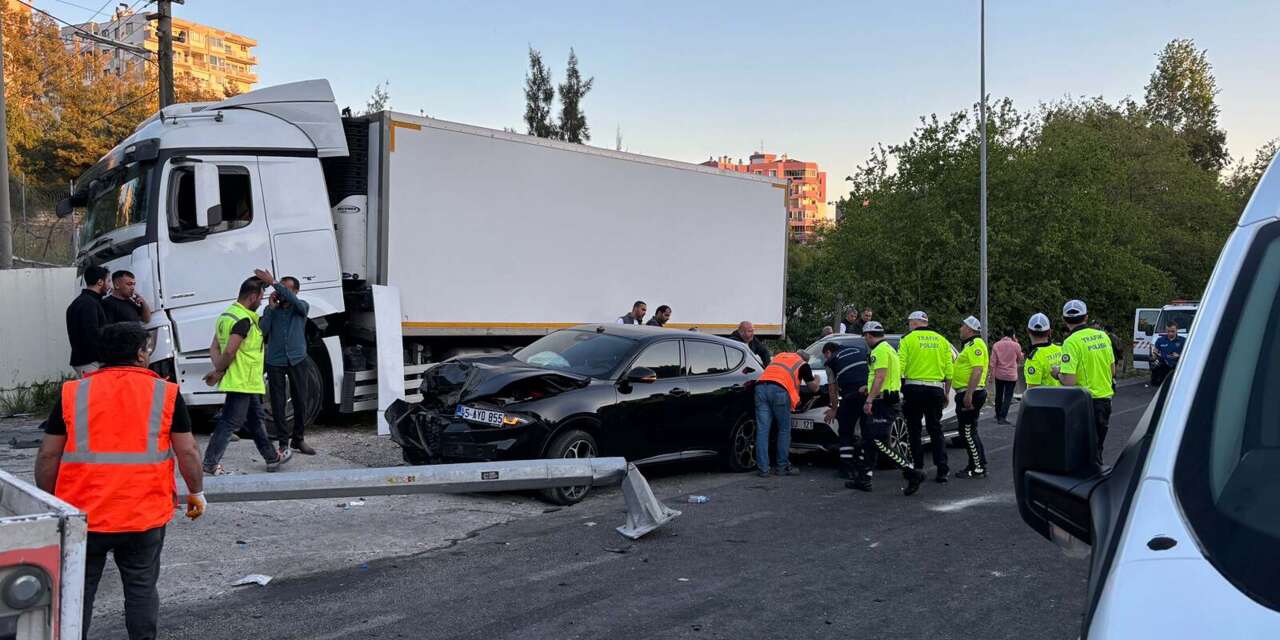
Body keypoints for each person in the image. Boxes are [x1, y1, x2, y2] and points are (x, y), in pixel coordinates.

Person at [34, 322, 206, 639]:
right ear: (141, 354)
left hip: (83, 515)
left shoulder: (73, 392)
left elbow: (48, 456)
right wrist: (196, 492)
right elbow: (189, 452)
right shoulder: (165, 393)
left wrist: (51, 503)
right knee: (141, 588)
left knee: (77, 593)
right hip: (144, 514)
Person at [201, 276, 293, 475]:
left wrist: (218, 367)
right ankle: (209, 463)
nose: (261, 301)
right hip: (242, 380)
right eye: (260, 297)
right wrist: (219, 370)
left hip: (247, 381)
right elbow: (230, 351)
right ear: (252, 297)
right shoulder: (243, 320)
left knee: (256, 419)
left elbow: (214, 347)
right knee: (229, 422)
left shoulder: (227, 315)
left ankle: (271, 457)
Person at [844, 321, 927, 495]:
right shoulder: (889, 349)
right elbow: (885, 377)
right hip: (887, 397)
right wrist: (868, 388)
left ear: (869, 335)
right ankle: (864, 478)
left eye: (865, 337)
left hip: (882, 402)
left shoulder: (879, 351)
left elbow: (880, 377)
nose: (865, 340)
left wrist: (869, 400)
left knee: (877, 441)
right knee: (868, 440)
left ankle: (911, 472)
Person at [259, 270, 316, 456]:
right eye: (280, 288)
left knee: (300, 400)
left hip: (297, 359)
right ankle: (283, 442)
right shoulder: (271, 310)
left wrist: (274, 282)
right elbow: (263, 331)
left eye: (286, 289)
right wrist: (270, 309)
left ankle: (298, 439)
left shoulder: (302, 307)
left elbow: (297, 303)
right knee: (277, 402)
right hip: (275, 361)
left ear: (295, 292)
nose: (282, 292)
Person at [897, 310, 954, 483]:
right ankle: (942, 469)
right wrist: (945, 392)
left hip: (913, 389)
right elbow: (949, 371)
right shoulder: (942, 340)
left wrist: (900, 388)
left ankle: (918, 467)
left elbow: (900, 366)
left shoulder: (907, 340)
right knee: (935, 429)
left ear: (914, 323)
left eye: (909, 323)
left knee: (914, 430)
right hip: (935, 389)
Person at [1059, 300, 1116, 465]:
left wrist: (1057, 374)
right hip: (1105, 400)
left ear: (1064, 319)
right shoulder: (1103, 336)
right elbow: (1112, 371)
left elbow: (1069, 381)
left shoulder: (1071, 342)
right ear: (1087, 317)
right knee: (1097, 450)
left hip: (1084, 403)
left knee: (1082, 454)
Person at [754, 349, 819, 477]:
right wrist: (817, 378)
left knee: (762, 430)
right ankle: (782, 467)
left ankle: (763, 469)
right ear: (804, 359)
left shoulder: (779, 356)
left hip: (760, 388)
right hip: (779, 391)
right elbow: (813, 388)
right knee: (784, 430)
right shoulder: (802, 364)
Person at [821, 341, 868, 479]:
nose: (826, 359)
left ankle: (846, 468)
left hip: (851, 395)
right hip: (869, 393)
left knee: (845, 431)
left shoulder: (831, 362)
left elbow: (832, 388)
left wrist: (834, 409)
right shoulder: (860, 350)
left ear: (828, 352)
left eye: (825, 356)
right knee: (866, 431)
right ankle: (863, 466)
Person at [952, 316, 990, 479]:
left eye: (962, 326)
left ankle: (978, 467)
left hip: (971, 393)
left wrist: (968, 394)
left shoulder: (976, 345)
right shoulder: (969, 345)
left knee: (967, 432)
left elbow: (977, 370)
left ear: (970, 329)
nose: (960, 329)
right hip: (968, 392)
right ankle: (977, 462)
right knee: (969, 430)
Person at [66, 265, 109, 377]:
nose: (110, 286)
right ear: (100, 282)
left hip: (87, 361)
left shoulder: (83, 302)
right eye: (108, 281)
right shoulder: (89, 304)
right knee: (94, 394)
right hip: (90, 362)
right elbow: (92, 335)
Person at [990, 328, 1024, 425]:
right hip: (1011, 375)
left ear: (1003, 334)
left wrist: (991, 376)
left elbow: (993, 363)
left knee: (999, 395)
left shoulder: (996, 345)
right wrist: (1017, 344)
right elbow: (1020, 359)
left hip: (999, 374)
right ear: (1013, 335)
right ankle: (1002, 417)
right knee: (1008, 396)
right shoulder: (1016, 345)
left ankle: (997, 414)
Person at [1023, 313, 1063, 390]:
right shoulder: (1061, 349)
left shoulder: (1033, 359)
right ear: (1049, 332)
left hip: (1045, 401)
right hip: (1065, 400)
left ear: (1028, 331)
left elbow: (1032, 392)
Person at [1151, 323, 1185, 387]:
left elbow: (1188, 355)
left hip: (1177, 367)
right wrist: (1154, 358)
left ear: (1177, 330)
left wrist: (1179, 356)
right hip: (1164, 368)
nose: (1170, 333)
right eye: (1168, 331)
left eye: (1172, 331)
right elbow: (1155, 352)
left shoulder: (1183, 340)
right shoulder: (1160, 340)